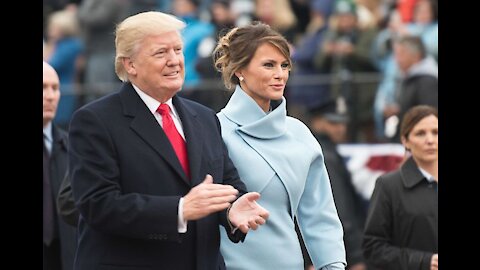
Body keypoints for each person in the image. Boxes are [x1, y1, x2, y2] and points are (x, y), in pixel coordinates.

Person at [68, 11, 269, 270]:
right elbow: (98, 205)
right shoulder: (95, 121)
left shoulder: (204, 117)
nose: (174, 61)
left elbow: (226, 183)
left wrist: (232, 209)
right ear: (130, 65)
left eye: (178, 50)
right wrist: (179, 210)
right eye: (161, 53)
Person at [213, 21, 346, 270]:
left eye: (284, 65)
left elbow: (319, 213)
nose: (280, 74)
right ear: (240, 70)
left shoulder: (299, 133)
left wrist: (333, 266)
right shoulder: (215, 131)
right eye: (268, 65)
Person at [362, 105, 438, 270]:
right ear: (405, 141)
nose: (430, 140)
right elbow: (373, 248)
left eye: (435, 132)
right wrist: (423, 262)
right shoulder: (389, 186)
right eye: (420, 133)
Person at [307, 99, 368, 270]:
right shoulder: (324, 155)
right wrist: (355, 257)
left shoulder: (325, 151)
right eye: (333, 122)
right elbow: (341, 211)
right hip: (332, 254)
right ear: (316, 121)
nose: (340, 128)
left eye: (342, 123)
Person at [43, 61, 77, 270]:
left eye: (55, 88)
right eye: (43, 88)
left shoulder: (73, 147)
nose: (50, 96)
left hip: (64, 256)